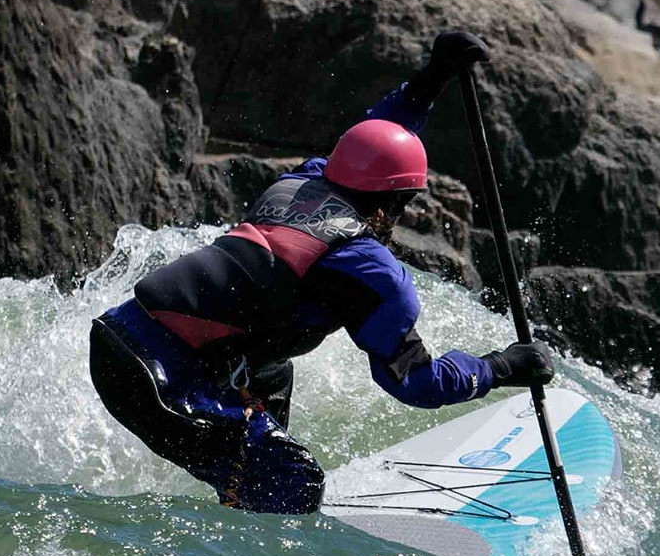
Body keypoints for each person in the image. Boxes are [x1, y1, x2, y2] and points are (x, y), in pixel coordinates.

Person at [88, 31, 553, 515]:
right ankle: (245, 535)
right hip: (151, 379)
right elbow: (415, 382)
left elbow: (374, 134)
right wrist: (501, 367)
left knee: (271, 376)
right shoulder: (370, 269)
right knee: (295, 483)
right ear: (395, 203)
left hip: (121, 336)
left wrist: (433, 77)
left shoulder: (306, 179)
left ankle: (243, 488)